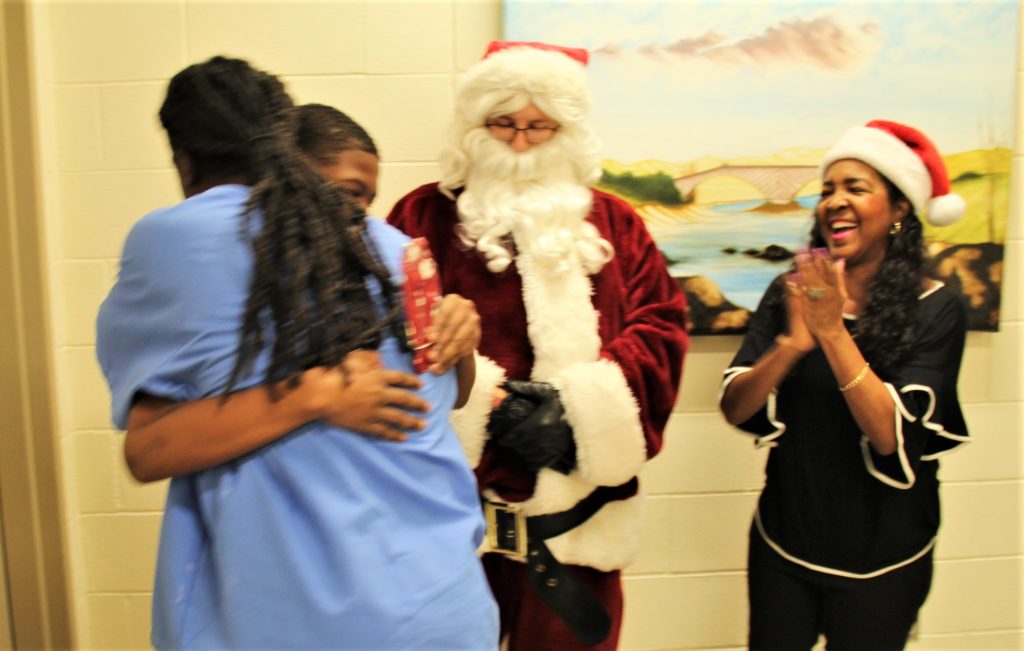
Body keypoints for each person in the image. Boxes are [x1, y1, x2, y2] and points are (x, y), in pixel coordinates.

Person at [96, 56, 498, 649]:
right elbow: (442, 397)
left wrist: (314, 394)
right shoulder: (393, 249)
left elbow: (150, 449)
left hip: (307, 620)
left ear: (184, 162)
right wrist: (321, 392)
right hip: (446, 606)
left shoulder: (176, 238)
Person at [388, 41, 690, 650]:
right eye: (503, 123)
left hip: (578, 532)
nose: (521, 142)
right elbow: (388, 336)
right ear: (475, 126)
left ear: (565, 132)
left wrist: (575, 415)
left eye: (539, 126)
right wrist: (490, 410)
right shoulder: (420, 217)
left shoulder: (617, 223)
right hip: (451, 523)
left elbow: (662, 327)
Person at [719, 120, 970, 650]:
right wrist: (791, 346)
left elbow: (890, 436)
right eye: (828, 189)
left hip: (885, 558)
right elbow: (736, 409)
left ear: (899, 210)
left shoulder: (938, 309)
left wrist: (832, 332)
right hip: (784, 542)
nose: (835, 201)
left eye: (855, 188)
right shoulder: (790, 290)